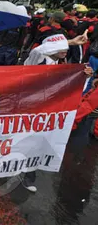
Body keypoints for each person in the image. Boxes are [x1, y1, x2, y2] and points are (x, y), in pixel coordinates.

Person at [23, 33, 89, 192]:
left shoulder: (63, 63)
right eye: (61, 47)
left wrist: (83, 76)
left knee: (37, 144)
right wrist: (70, 41)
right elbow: (39, 50)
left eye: (67, 48)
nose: (66, 50)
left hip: (47, 111)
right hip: (27, 108)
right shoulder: (37, 57)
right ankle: (5, 169)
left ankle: (28, 177)